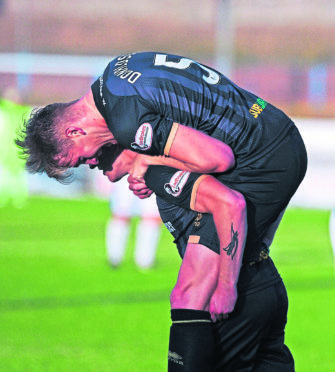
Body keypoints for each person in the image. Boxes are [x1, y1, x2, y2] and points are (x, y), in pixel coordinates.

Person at [15, 51, 307, 370]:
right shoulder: (114, 75)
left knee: (191, 292)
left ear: (73, 132)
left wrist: (148, 162)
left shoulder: (130, 128)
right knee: (224, 273)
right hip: (267, 127)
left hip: (264, 155)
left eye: (82, 159)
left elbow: (219, 161)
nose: (91, 162)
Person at [102, 147, 294, 371]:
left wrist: (226, 287)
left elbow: (232, 202)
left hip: (237, 291)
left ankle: (141, 259)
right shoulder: (262, 149)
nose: (90, 163)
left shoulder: (160, 161)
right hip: (265, 277)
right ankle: (122, 258)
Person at [106, 177, 161, 269]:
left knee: (149, 216)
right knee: (122, 214)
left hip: (131, 170)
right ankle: (144, 261)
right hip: (145, 169)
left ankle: (116, 257)